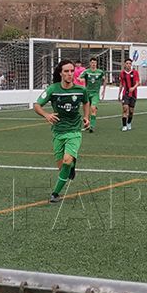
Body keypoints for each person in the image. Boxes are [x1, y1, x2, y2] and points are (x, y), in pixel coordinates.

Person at [34, 59, 89, 203]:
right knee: (62, 167)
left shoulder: (81, 90)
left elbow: (86, 102)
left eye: (72, 71)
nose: (70, 74)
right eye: (66, 71)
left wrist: (86, 117)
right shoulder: (53, 89)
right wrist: (47, 115)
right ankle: (71, 165)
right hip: (58, 131)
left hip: (74, 130)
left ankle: (55, 193)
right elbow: (37, 105)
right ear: (60, 73)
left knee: (67, 160)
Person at [79, 57, 107, 133]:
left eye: (94, 63)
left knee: (93, 108)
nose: (93, 64)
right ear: (90, 63)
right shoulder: (86, 71)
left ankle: (92, 126)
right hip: (87, 93)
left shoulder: (100, 72)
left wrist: (103, 90)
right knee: (86, 111)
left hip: (95, 93)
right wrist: (82, 80)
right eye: (92, 62)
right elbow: (80, 78)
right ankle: (87, 125)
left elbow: (105, 80)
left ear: (96, 63)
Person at [119, 58, 139, 131]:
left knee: (131, 111)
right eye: (127, 63)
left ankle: (129, 123)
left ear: (131, 65)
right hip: (125, 94)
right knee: (125, 109)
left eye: (129, 63)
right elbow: (121, 84)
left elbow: (138, 82)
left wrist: (133, 88)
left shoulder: (135, 72)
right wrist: (119, 94)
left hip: (133, 94)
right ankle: (124, 126)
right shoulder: (122, 73)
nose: (128, 65)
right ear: (124, 64)